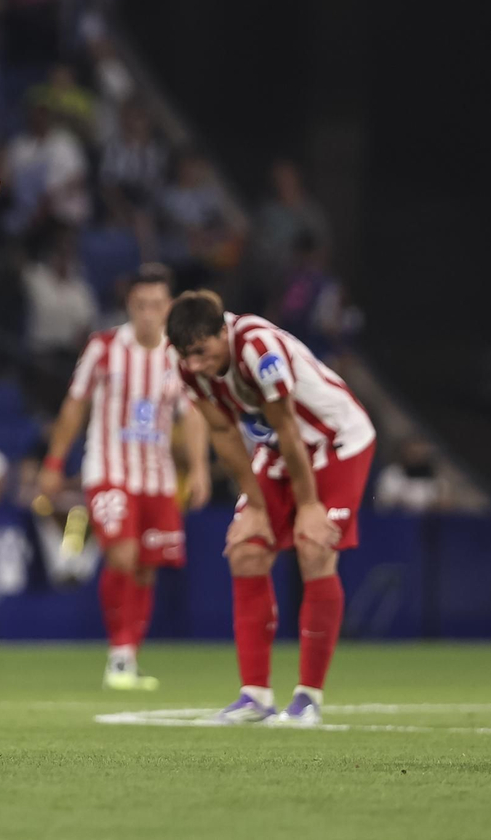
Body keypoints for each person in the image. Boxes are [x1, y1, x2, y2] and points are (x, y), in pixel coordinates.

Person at [165, 289, 376, 726]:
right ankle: (255, 696)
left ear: (223, 332)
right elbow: (223, 432)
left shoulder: (260, 348)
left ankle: (308, 697)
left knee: (313, 546)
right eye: (187, 356)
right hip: (280, 449)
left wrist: (311, 505)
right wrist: (256, 506)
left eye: (202, 352)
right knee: (246, 549)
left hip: (335, 441)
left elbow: (288, 426)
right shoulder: (190, 367)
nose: (196, 364)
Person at [38, 264, 211, 690]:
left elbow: (193, 416)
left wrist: (201, 468)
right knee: (123, 556)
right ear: (128, 305)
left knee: (148, 567)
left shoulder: (179, 356)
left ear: (169, 306)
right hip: (108, 470)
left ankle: (128, 656)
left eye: (156, 304)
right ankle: (118, 656)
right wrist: (54, 463)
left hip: (158, 478)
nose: (148, 313)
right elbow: (75, 405)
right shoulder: (104, 347)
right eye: (140, 304)